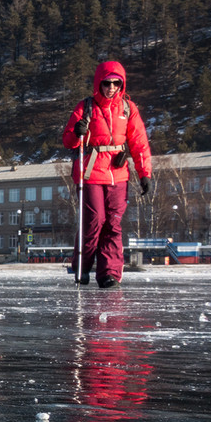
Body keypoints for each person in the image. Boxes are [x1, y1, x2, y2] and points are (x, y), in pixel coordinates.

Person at [62, 61, 153, 288]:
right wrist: (77, 132)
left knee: (113, 223)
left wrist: (145, 174)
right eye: (106, 83)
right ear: (98, 83)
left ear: (121, 84)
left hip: (118, 173)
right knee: (94, 221)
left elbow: (139, 142)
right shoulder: (86, 107)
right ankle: (82, 267)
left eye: (116, 83)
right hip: (91, 171)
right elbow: (67, 140)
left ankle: (108, 273)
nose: (111, 87)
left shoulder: (128, 109)